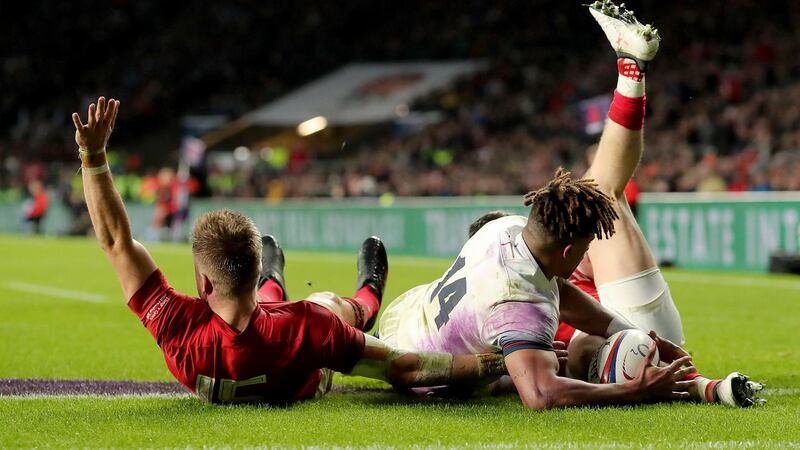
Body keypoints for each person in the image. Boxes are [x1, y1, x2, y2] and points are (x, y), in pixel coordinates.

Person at [378, 1, 761, 409]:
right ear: (562, 250)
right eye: (579, 247)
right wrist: (638, 389)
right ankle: (630, 75)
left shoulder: (507, 256)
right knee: (603, 200)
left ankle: (703, 385)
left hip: (629, 338)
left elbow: (571, 300)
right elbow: (541, 394)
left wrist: (663, 349)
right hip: (624, 351)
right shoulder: (516, 296)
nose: (584, 249)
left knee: (598, 203)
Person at [71, 97, 507, 405]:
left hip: (244, 328)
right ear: (251, 267)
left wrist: (93, 155)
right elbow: (404, 367)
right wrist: (493, 363)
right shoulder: (307, 327)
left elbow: (114, 241)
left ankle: (273, 283)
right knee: (328, 304)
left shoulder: (176, 325)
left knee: (272, 306)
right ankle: (366, 300)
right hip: (300, 362)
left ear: (203, 282)